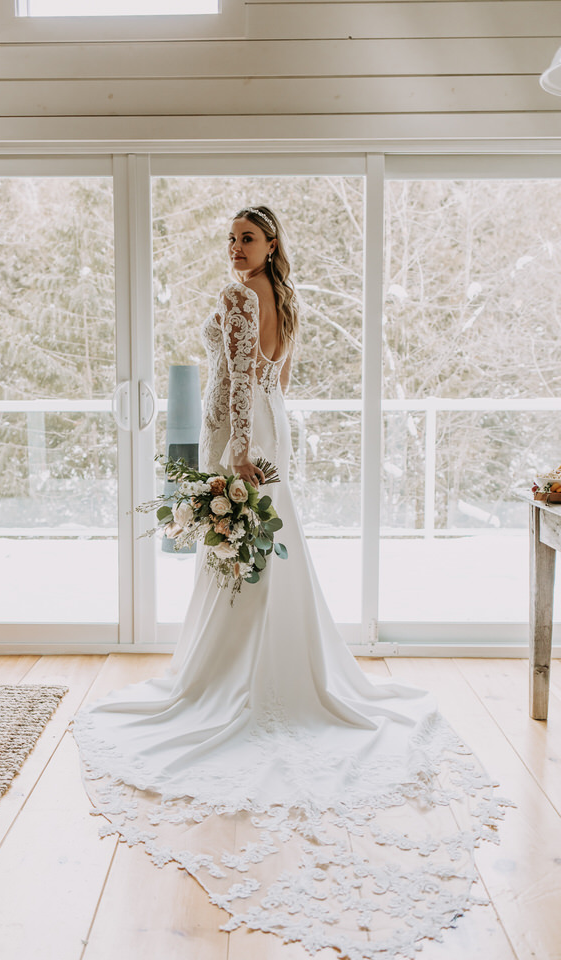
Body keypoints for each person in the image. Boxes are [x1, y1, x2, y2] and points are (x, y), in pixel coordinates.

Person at [71, 205, 509, 959]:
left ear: (271, 242)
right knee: (259, 547)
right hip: (268, 425)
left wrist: (235, 454)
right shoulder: (282, 295)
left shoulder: (243, 296)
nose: (234, 248)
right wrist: (253, 437)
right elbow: (266, 380)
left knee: (243, 541)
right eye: (230, 239)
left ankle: (240, 678)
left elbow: (239, 381)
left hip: (243, 433)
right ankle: (258, 665)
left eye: (246, 237)